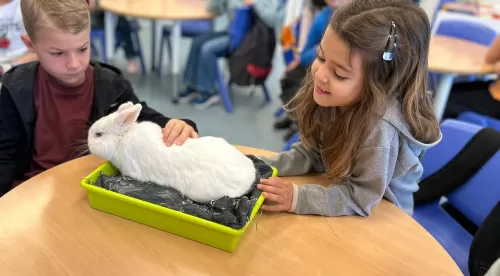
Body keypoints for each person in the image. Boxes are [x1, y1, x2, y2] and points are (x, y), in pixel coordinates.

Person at [0, 0, 198, 276]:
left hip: (93, 210)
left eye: (83, 48)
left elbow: (149, 118)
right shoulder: (19, 86)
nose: (74, 63)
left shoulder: (109, 86)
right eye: (58, 53)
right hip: (29, 208)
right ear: (30, 44)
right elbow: (5, 156)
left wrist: (181, 123)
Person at [257, 0, 441, 216]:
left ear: (379, 84)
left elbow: (361, 197)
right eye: (321, 56)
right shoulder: (331, 93)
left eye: (340, 74)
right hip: (341, 194)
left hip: (385, 219)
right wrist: (263, 167)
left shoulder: (380, 127)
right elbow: (313, 153)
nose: (320, 75)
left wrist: (297, 197)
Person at [178, 0, 285, 108]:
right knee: (197, 42)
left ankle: (209, 91)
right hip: (232, 33)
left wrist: (254, 3)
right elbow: (214, 10)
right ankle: (193, 85)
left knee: (207, 49)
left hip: (251, 41)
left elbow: (273, 19)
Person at [275, 0, 348, 134]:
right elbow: (309, 46)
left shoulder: (353, 20)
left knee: (310, 87)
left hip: (335, 68)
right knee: (289, 78)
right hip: (316, 60)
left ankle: (302, 122)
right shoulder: (323, 16)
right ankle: (295, 117)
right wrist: (301, 58)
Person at [442, 35, 500, 120]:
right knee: (448, 92)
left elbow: (491, 59)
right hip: (492, 91)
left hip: (494, 103)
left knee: (445, 99)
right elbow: (490, 58)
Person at [88, 0, 140, 73]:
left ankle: (130, 58)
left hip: (115, 16)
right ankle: (107, 57)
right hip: (97, 16)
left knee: (124, 24)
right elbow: (90, 7)